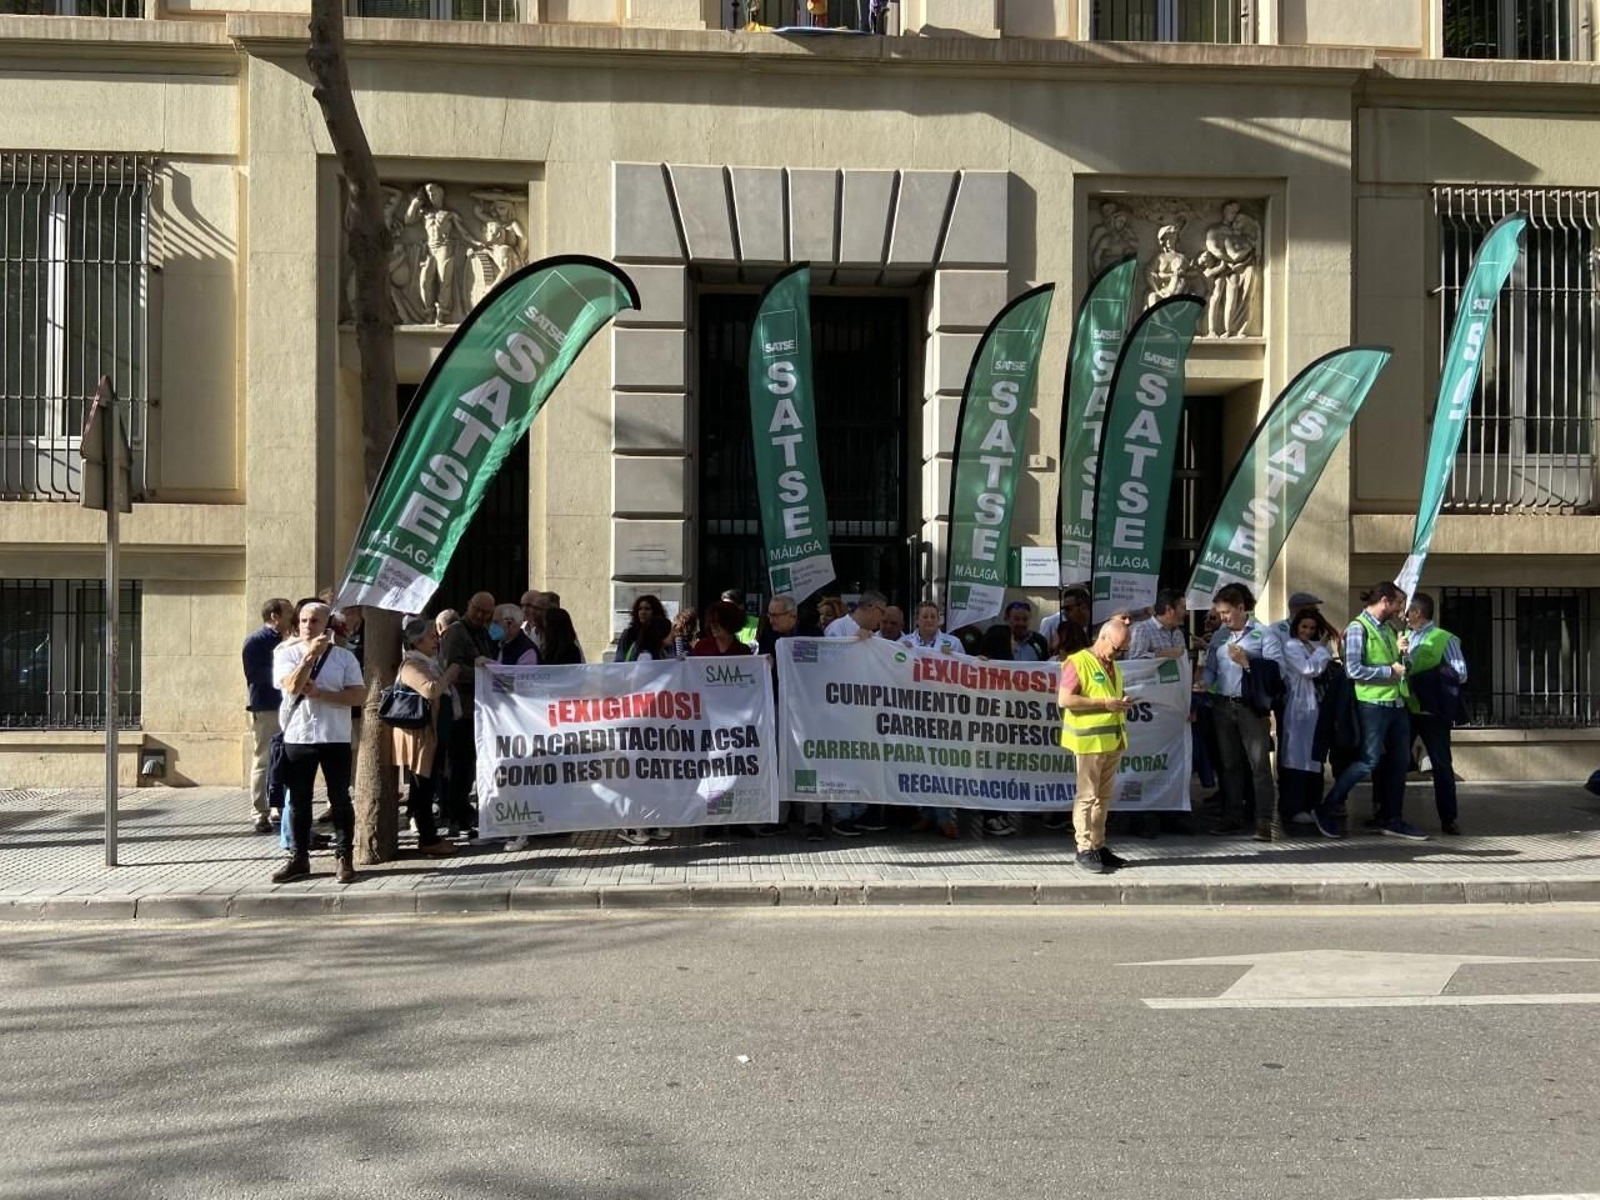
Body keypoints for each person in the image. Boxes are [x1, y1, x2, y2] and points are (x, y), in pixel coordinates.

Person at [1314, 582, 1427, 841]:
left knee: (1399, 762)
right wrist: (1389, 671)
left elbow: (1400, 667)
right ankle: (1327, 808)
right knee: (1369, 759)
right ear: (1385, 601)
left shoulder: (1389, 628)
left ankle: (1392, 818)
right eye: (1398, 603)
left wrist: (1404, 656)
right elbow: (1353, 669)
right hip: (1372, 705)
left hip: (1396, 704)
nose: (1401, 609)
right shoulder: (1358, 628)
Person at [268, 602, 368, 884]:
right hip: (298, 736)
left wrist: (322, 694)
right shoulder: (286, 654)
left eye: (314, 621)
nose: (307, 626)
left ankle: (344, 857)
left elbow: (358, 696)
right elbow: (291, 686)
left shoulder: (344, 658)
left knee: (340, 798)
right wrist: (309, 657)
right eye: (303, 620)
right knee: (299, 800)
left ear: (326, 625)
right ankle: (299, 857)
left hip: (335, 735)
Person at [1203, 583, 1284, 841]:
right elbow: (1211, 667)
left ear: (1241, 608)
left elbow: (1278, 671)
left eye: (1227, 612)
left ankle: (1263, 820)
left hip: (1251, 707)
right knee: (1229, 764)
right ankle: (1232, 816)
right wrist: (1203, 682)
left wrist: (1248, 663)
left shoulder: (1264, 634)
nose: (1223, 618)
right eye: (1220, 613)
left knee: (1259, 765)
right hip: (1222, 705)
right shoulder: (1219, 637)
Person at [1058, 618, 1133, 874]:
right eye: (1117, 648)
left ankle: (1098, 845)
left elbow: (1109, 696)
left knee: (1103, 798)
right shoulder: (1078, 661)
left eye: (1123, 650)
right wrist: (1105, 703)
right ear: (1102, 637)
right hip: (1089, 740)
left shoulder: (1113, 665)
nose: (1118, 654)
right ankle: (1084, 848)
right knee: (1087, 796)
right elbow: (1065, 699)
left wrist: (1121, 702)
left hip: (1112, 739)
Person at [391, 615, 460, 858]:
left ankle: (430, 835)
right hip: (420, 737)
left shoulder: (429, 663)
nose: (436, 641)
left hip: (433, 734)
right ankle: (427, 839)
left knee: (427, 786)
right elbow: (430, 690)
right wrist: (449, 674)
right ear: (417, 641)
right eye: (431, 637)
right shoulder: (412, 665)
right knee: (422, 788)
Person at [1403, 592, 1468, 836]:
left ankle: (1449, 818)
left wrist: (1427, 679)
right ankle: (1387, 813)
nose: (1403, 615)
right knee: (1396, 762)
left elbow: (1460, 673)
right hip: (1407, 707)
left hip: (1433, 712)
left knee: (1441, 765)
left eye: (1407, 610)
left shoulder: (1444, 638)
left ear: (1417, 612)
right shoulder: (1404, 637)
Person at [439, 591, 495, 838]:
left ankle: (463, 813)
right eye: (477, 610)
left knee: (469, 766)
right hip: (460, 711)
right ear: (468, 605)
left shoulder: (483, 632)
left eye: (486, 612)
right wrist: (482, 673)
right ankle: (454, 817)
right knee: (458, 766)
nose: (480, 615)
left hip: (477, 710)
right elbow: (451, 669)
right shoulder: (455, 633)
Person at [1279, 607, 1336, 823]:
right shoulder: (1291, 646)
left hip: (1317, 707)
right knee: (1296, 757)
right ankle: (1293, 807)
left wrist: (1321, 648)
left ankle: (1312, 804)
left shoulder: (1316, 646)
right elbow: (1308, 669)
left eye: (1312, 628)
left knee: (1314, 758)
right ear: (1297, 626)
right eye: (1304, 626)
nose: (1308, 631)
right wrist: (1321, 649)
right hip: (1299, 707)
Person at [243, 597, 292, 833]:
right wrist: (286, 670)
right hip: (267, 706)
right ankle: (259, 811)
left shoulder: (288, 640)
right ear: (275, 616)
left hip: (288, 705)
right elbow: (255, 674)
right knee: (263, 759)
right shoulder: (255, 641)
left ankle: (280, 807)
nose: (293, 617)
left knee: (285, 758)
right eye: (289, 612)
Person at [1128, 590, 1188, 660]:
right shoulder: (1143, 629)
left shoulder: (1177, 633)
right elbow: (1134, 660)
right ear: (1169, 610)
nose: (1187, 613)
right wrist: (1160, 654)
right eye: (1184, 608)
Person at [899, 601, 963, 656]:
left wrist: (953, 656)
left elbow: (964, 665)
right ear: (916, 620)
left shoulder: (954, 643)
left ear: (938, 620)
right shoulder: (902, 642)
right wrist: (902, 650)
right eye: (925, 617)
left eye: (933, 617)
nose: (929, 620)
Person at [617, 595, 668, 661]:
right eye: (640, 609)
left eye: (647, 609)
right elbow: (619, 659)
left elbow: (671, 657)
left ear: (655, 612)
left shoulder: (664, 633)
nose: (643, 612)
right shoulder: (629, 633)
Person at [1040, 585, 1091, 652]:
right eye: (1063, 608)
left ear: (1083, 607)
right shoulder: (1050, 622)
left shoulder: (1096, 623)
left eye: (1068, 608)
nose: (1064, 612)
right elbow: (1042, 652)